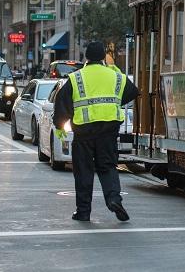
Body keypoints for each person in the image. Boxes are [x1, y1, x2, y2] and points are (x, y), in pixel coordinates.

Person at [53, 41, 140, 222]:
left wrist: (61, 125)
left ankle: (83, 212)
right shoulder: (116, 76)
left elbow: (62, 103)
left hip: (84, 132)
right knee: (107, 166)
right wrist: (114, 101)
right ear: (103, 57)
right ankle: (114, 199)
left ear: (86, 57)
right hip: (109, 130)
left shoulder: (76, 78)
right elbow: (133, 92)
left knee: (84, 171)